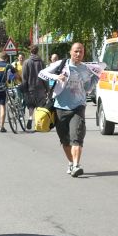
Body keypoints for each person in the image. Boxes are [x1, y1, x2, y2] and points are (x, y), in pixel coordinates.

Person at [39, 43, 105, 176]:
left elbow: (87, 88)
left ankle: (76, 165)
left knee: (77, 137)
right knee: (65, 141)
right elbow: (42, 73)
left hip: (78, 107)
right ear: (70, 52)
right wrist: (56, 77)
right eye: (76, 51)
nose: (78, 54)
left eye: (81, 52)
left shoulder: (86, 69)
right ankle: (71, 162)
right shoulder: (62, 64)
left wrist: (96, 77)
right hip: (60, 107)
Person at [22, 45, 48, 130]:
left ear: (30, 51)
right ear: (37, 51)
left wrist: (24, 89)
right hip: (41, 88)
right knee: (40, 106)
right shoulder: (42, 62)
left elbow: (24, 77)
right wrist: (47, 88)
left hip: (30, 88)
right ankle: (38, 124)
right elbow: (45, 76)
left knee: (31, 105)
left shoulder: (26, 62)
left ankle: (30, 118)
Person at [0, 52, 15, 132]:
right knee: (2, 107)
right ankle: (2, 126)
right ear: (7, 58)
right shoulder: (8, 66)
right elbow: (14, 74)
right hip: (3, 89)